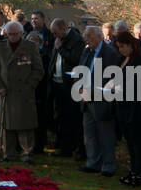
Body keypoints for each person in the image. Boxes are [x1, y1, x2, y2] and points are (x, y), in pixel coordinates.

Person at [0, 20, 43, 161]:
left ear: (21, 33)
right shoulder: (0, 47)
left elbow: (38, 70)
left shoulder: (30, 46)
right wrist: (0, 87)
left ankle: (27, 152)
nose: (13, 37)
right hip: (7, 91)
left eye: (16, 34)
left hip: (24, 91)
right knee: (7, 124)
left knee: (25, 123)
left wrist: (30, 86)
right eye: (10, 34)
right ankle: (8, 153)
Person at [113, 29, 141, 186]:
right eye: (119, 46)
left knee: (137, 142)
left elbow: (140, 85)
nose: (121, 49)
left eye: (123, 46)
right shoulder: (121, 60)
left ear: (131, 45)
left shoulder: (139, 61)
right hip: (123, 106)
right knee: (130, 142)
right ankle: (133, 171)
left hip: (135, 107)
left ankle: (139, 173)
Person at [78, 25, 120, 177]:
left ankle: (108, 165)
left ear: (98, 37)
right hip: (86, 98)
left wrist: (93, 91)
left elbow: (111, 78)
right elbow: (82, 69)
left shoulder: (109, 53)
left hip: (102, 100)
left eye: (89, 36)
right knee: (89, 133)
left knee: (105, 134)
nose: (86, 39)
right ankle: (93, 162)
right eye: (85, 36)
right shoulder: (87, 51)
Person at [48, 18, 86, 157]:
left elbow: (75, 60)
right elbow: (53, 59)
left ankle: (75, 147)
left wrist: (60, 48)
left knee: (73, 118)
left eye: (55, 32)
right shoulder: (58, 40)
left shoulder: (76, 40)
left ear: (64, 28)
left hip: (70, 84)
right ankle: (64, 146)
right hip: (57, 82)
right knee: (60, 117)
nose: (54, 35)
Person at [27, 10, 54, 152]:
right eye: (32, 18)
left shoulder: (49, 37)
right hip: (28, 90)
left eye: (36, 18)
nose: (34, 21)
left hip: (42, 88)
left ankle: (39, 144)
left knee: (41, 117)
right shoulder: (25, 55)